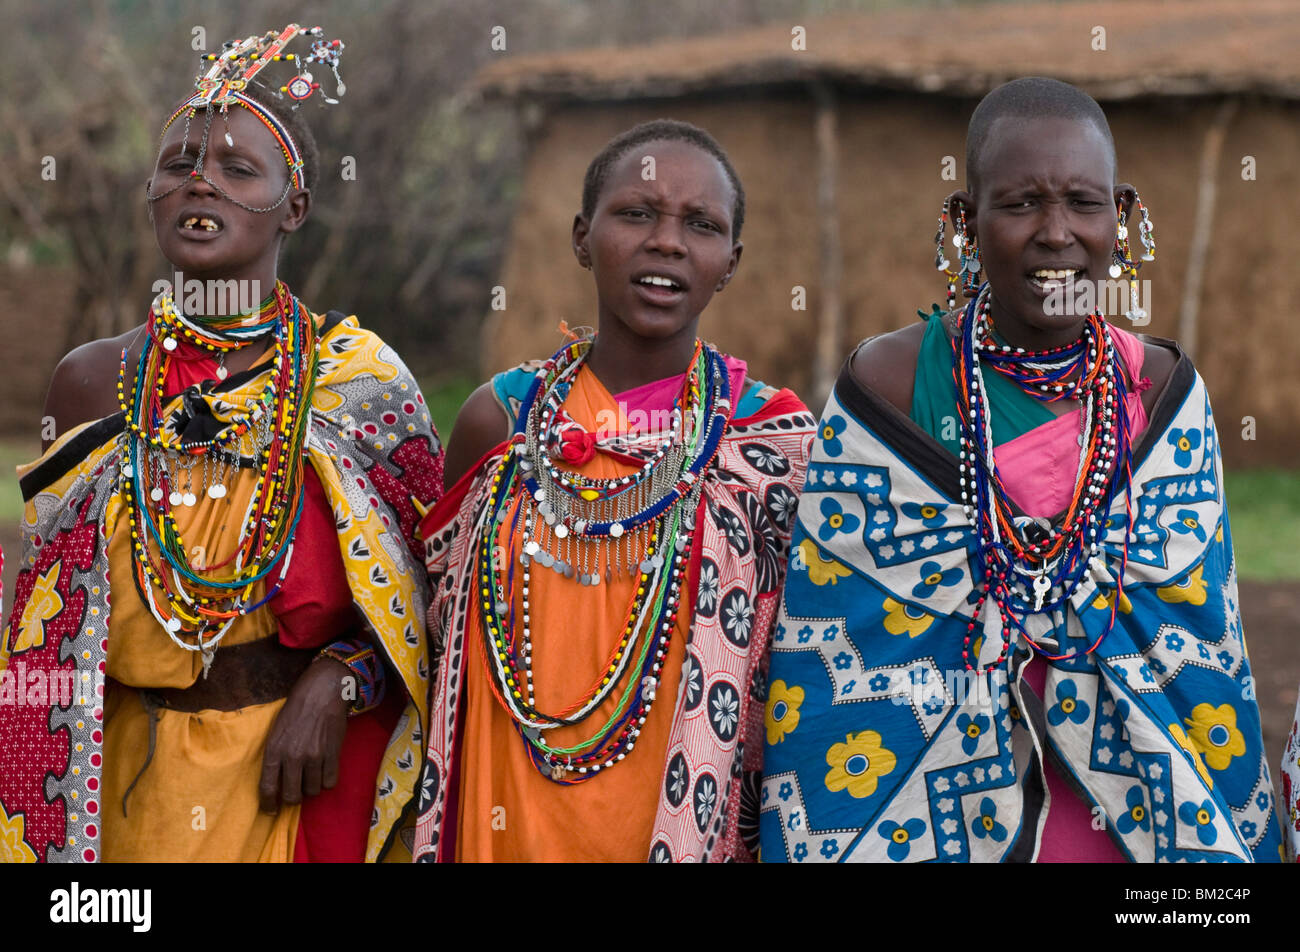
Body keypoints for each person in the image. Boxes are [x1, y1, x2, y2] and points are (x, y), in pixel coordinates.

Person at [761, 78, 1282, 862]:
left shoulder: (1162, 390)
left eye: (1083, 202)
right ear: (965, 222)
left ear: (1123, 214)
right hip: (930, 812)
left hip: (1133, 816)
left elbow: (1199, 644)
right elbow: (841, 646)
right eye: (1021, 204)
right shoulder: (892, 384)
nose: (1057, 233)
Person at [0, 24, 443, 863]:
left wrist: (341, 675)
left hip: (302, 780)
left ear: (295, 206)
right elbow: (47, 633)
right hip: (125, 786)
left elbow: (428, 600)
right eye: (178, 166)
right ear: (152, 191)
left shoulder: (358, 380)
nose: (199, 181)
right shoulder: (95, 380)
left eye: (238, 170)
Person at [411, 119, 815, 862]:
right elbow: (429, 634)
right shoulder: (500, 421)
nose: (668, 241)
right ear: (580, 236)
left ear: (730, 262)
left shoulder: (770, 444)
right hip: (502, 812)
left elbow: (796, 672)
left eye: (701, 225)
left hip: (672, 826)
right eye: (636, 213)